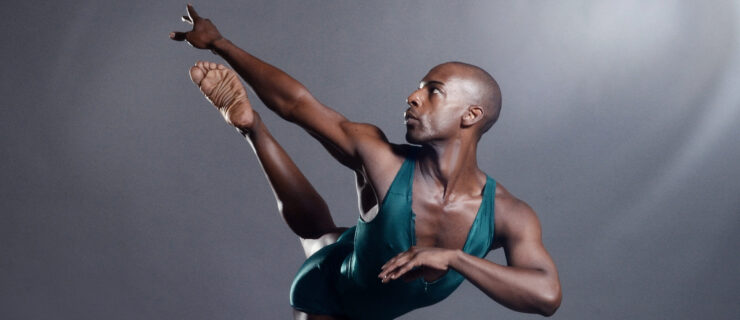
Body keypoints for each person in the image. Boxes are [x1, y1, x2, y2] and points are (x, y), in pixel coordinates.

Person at [172, 5, 561, 319]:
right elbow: (298, 104)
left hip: (364, 264)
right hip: (328, 292)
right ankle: (252, 127)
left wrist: (455, 258)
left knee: (325, 236)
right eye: (417, 88)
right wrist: (220, 43)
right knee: (319, 242)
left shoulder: (508, 215)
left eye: (433, 92)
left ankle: (253, 130)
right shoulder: (381, 158)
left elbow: (547, 297)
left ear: (471, 115)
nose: (412, 97)